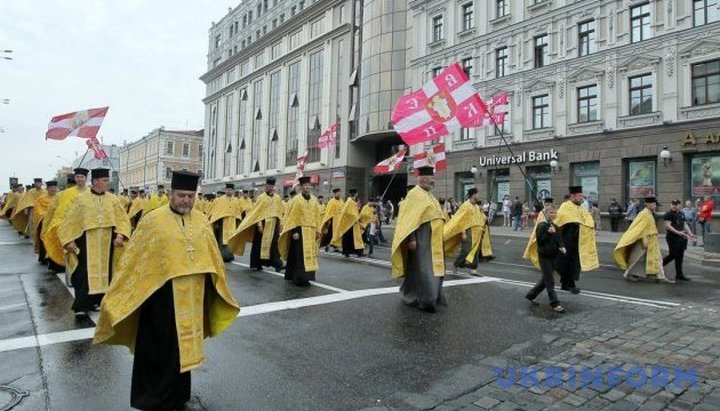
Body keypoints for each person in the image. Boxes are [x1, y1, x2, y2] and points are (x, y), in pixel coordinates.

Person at [94, 170, 240, 411]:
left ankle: (179, 394)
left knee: (183, 349)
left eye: (191, 196)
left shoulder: (202, 220)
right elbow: (134, 261)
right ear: (171, 194)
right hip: (160, 298)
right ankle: (154, 399)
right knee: (158, 349)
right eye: (182, 195)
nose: (187, 201)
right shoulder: (153, 220)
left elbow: (212, 257)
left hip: (192, 296)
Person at [58, 168, 131, 317]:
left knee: (107, 272)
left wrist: (120, 235)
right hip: (85, 241)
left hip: (108, 241)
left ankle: (99, 301)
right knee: (83, 272)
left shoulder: (113, 199)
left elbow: (123, 219)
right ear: (96, 181)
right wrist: (69, 240)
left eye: (107, 180)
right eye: (104, 180)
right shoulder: (81, 199)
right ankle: (82, 305)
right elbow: (70, 220)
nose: (107, 183)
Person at [391, 166, 447, 313]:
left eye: (433, 177)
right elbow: (409, 220)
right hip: (421, 239)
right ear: (422, 178)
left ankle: (434, 296)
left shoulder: (430, 195)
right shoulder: (414, 194)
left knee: (434, 270)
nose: (433, 180)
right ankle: (426, 301)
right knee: (425, 270)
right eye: (431, 177)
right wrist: (412, 239)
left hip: (434, 240)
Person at [228, 177, 284, 272]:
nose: (270, 187)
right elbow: (257, 212)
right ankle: (256, 263)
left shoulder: (277, 198)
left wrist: (280, 224)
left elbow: (279, 211)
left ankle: (277, 264)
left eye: (272, 186)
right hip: (263, 224)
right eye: (269, 185)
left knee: (274, 244)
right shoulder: (261, 197)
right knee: (258, 245)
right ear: (266, 186)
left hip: (274, 224)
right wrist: (259, 225)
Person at [42, 168, 90, 272]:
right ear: (75, 178)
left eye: (82, 177)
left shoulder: (91, 193)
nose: (79, 179)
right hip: (67, 225)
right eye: (77, 177)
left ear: (86, 178)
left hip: (85, 226)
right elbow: (57, 211)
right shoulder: (64, 194)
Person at [613, 197, 671, 282]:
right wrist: (644, 240)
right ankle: (629, 273)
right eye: (654, 204)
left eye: (655, 205)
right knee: (637, 257)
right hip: (645, 240)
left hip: (652, 240)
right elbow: (641, 228)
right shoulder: (644, 214)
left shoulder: (649, 213)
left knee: (657, 258)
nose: (655, 206)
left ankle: (659, 276)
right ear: (648, 204)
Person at [555, 186, 599, 293]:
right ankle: (570, 285)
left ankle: (566, 284)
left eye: (582, 196)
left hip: (578, 240)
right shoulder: (565, 206)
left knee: (574, 263)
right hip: (568, 239)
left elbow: (587, 220)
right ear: (573, 196)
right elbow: (559, 220)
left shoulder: (580, 208)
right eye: (579, 196)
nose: (581, 198)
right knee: (567, 262)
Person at [279, 176, 321, 286]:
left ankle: (307, 277)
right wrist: (294, 232)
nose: (308, 187)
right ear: (301, 187)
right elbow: (292, 217)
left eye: (309, 185)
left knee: (310, 255)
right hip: (299, 231)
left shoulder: (314, 200)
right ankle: (298, 277)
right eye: (305, 185)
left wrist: (318, 230)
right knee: (298, 255)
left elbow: (317, 216)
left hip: (311, 231)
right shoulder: (296, 200)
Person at [525, 204, 566, 313]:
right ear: (546, 213)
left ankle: (531, 295)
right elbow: (540, 240)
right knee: (550, 281)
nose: (553, 215)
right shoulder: (542, 226)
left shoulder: (554, 226)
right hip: (544, 257)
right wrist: (548, 233)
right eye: (551, 213)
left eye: (555, 212)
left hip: (554, 255)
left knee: (545, 280)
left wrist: (562, 247)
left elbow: (559, 239)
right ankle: (555, 303)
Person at [444, 188, 483, 276]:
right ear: (473, 195)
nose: (478, 196)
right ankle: (455, 265)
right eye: (477, 194)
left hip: (477, 231)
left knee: (475, 251)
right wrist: (463, 233)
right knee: (466, 250)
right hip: (468, 230)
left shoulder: (476, 206)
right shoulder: (466, 205)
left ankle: (473, 270)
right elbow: (460, 220)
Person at [663, 199, 696, 281]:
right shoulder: (668, 214)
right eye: (673, 204)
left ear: (679, 205)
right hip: (672, 237)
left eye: (676, 204)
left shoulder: (681, 213)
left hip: (682, 237)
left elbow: (685, 224)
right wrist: (678, 233)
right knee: (673, 255)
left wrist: (690, 233)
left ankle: (679, 274)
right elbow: (668, 226)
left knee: (680, 256)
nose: (674, 206)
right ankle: (658, 267)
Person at [208, 183, 240, 262]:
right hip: (222, 223)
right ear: (225, 190)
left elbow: (238, 212)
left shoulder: (236, 200)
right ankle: (222, 256)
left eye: (231, 190)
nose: (230, 191)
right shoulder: (220, 200)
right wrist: (217, 223)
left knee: (231, 240)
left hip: (232, 223)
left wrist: (238, 222)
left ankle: (230, 255)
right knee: (222, 240)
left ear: (233, 191)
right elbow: (216, 213)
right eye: (228, 190)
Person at [522, 197, 555, 270]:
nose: (547, 205)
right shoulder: (542, 212)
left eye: (548, 204)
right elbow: (538, 224)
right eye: (546, 204)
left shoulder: (554, 212)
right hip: (543, 235)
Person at [332, 188, 365, 258]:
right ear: (356, 194)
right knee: (349, 238)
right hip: (349, 223)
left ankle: (356, 252)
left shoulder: (352, 201)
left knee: (355, 238)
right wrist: (354, 217)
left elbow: (353, 211)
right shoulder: (349, 201)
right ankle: (348, 252)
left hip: (353, 223)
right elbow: (346, 212)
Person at [32, 180, 58, 263]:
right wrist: (47, 217)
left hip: (56, 222)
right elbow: (39, 212)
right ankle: (43, 257)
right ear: (47, 189)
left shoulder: (59, 197)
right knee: (44, 240)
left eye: (54, 188)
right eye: (51, 188)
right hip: (44, 222)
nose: (53, 189)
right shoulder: (42, 199)